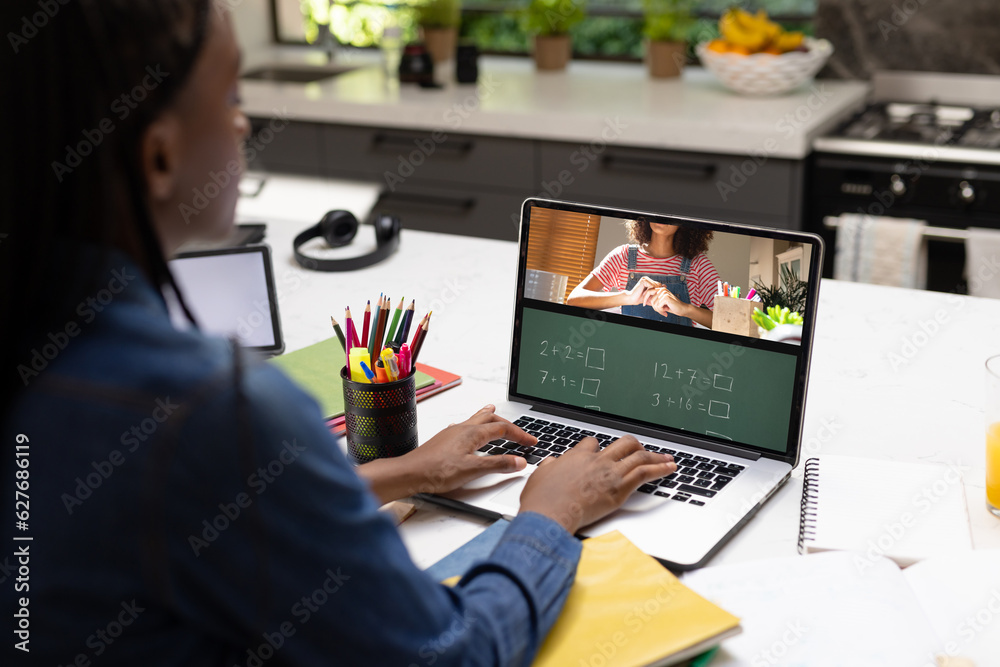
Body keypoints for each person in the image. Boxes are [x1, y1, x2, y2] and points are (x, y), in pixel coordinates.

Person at [0, 1, 677, 665]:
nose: (244, 122)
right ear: (159, 157)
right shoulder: (209, 412)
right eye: (232, 95)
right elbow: (451, 652)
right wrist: (549, 517)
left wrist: (406, 471)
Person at [566, 218, 720, 328]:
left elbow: (732, 323)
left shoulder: (698, 264)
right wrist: (627, 297)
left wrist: (686, 309)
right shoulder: (623, 256)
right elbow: (574, 300)